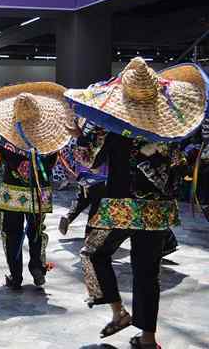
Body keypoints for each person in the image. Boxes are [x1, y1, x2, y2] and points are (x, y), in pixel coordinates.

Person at [65, 57, 207, 348]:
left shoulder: (114, 128)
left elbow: (89, 162)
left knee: (93, 254)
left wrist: (79, 138)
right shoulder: (167, 132)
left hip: (122, 209)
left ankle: (118, 312)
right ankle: (148, 339)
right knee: (147, 273)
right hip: (158, 212)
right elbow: (179, 167)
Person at [0, 83, 71, 290]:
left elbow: (4, 157)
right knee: (37, 230)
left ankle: (15, 276)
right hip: (40, 192)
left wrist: (18, 166)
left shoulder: (7, 137)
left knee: (11, 232)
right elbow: (52, 159)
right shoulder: (48, 140)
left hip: (12, 193)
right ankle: (38, 268)